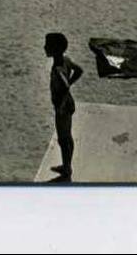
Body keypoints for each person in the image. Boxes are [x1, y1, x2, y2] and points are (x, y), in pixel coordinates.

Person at [44, 32, 83, 181]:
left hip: (63, 107)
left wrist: (60, 105)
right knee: (67, 137)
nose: (44, 47)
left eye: (47, 45)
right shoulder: (65, 60)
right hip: (68, 104)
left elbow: (65, 87)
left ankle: (67, 168)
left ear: (54, 49)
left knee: (63, 138)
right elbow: (79, 71)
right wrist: (70, 82)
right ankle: (67, 165)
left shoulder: (57, 69)